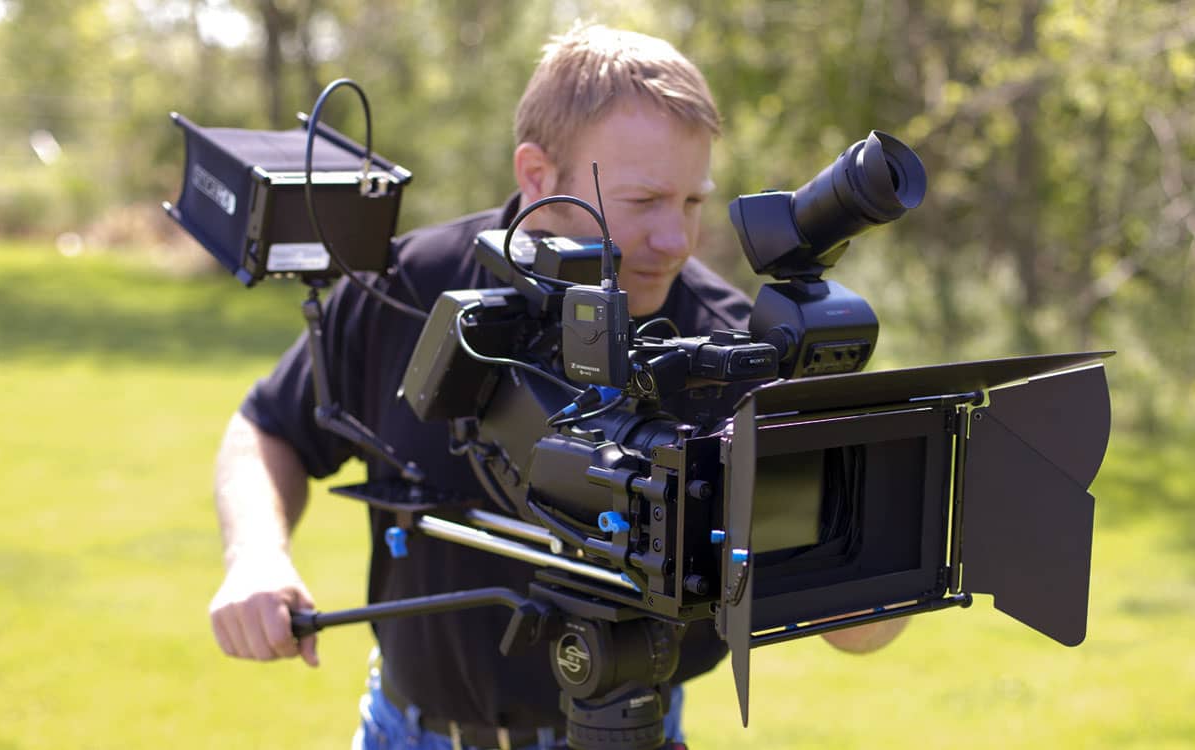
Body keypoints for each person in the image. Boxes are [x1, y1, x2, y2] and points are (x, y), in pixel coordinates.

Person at [207, 23, 906, 750]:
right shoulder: (411, 285)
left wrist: (878, 540)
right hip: (406, 732)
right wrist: (256, 555)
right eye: (644, 202)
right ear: (538, 176)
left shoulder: (734, 346)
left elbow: (862, 635)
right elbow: (267, 428)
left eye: (693, 203)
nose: (676, 242)